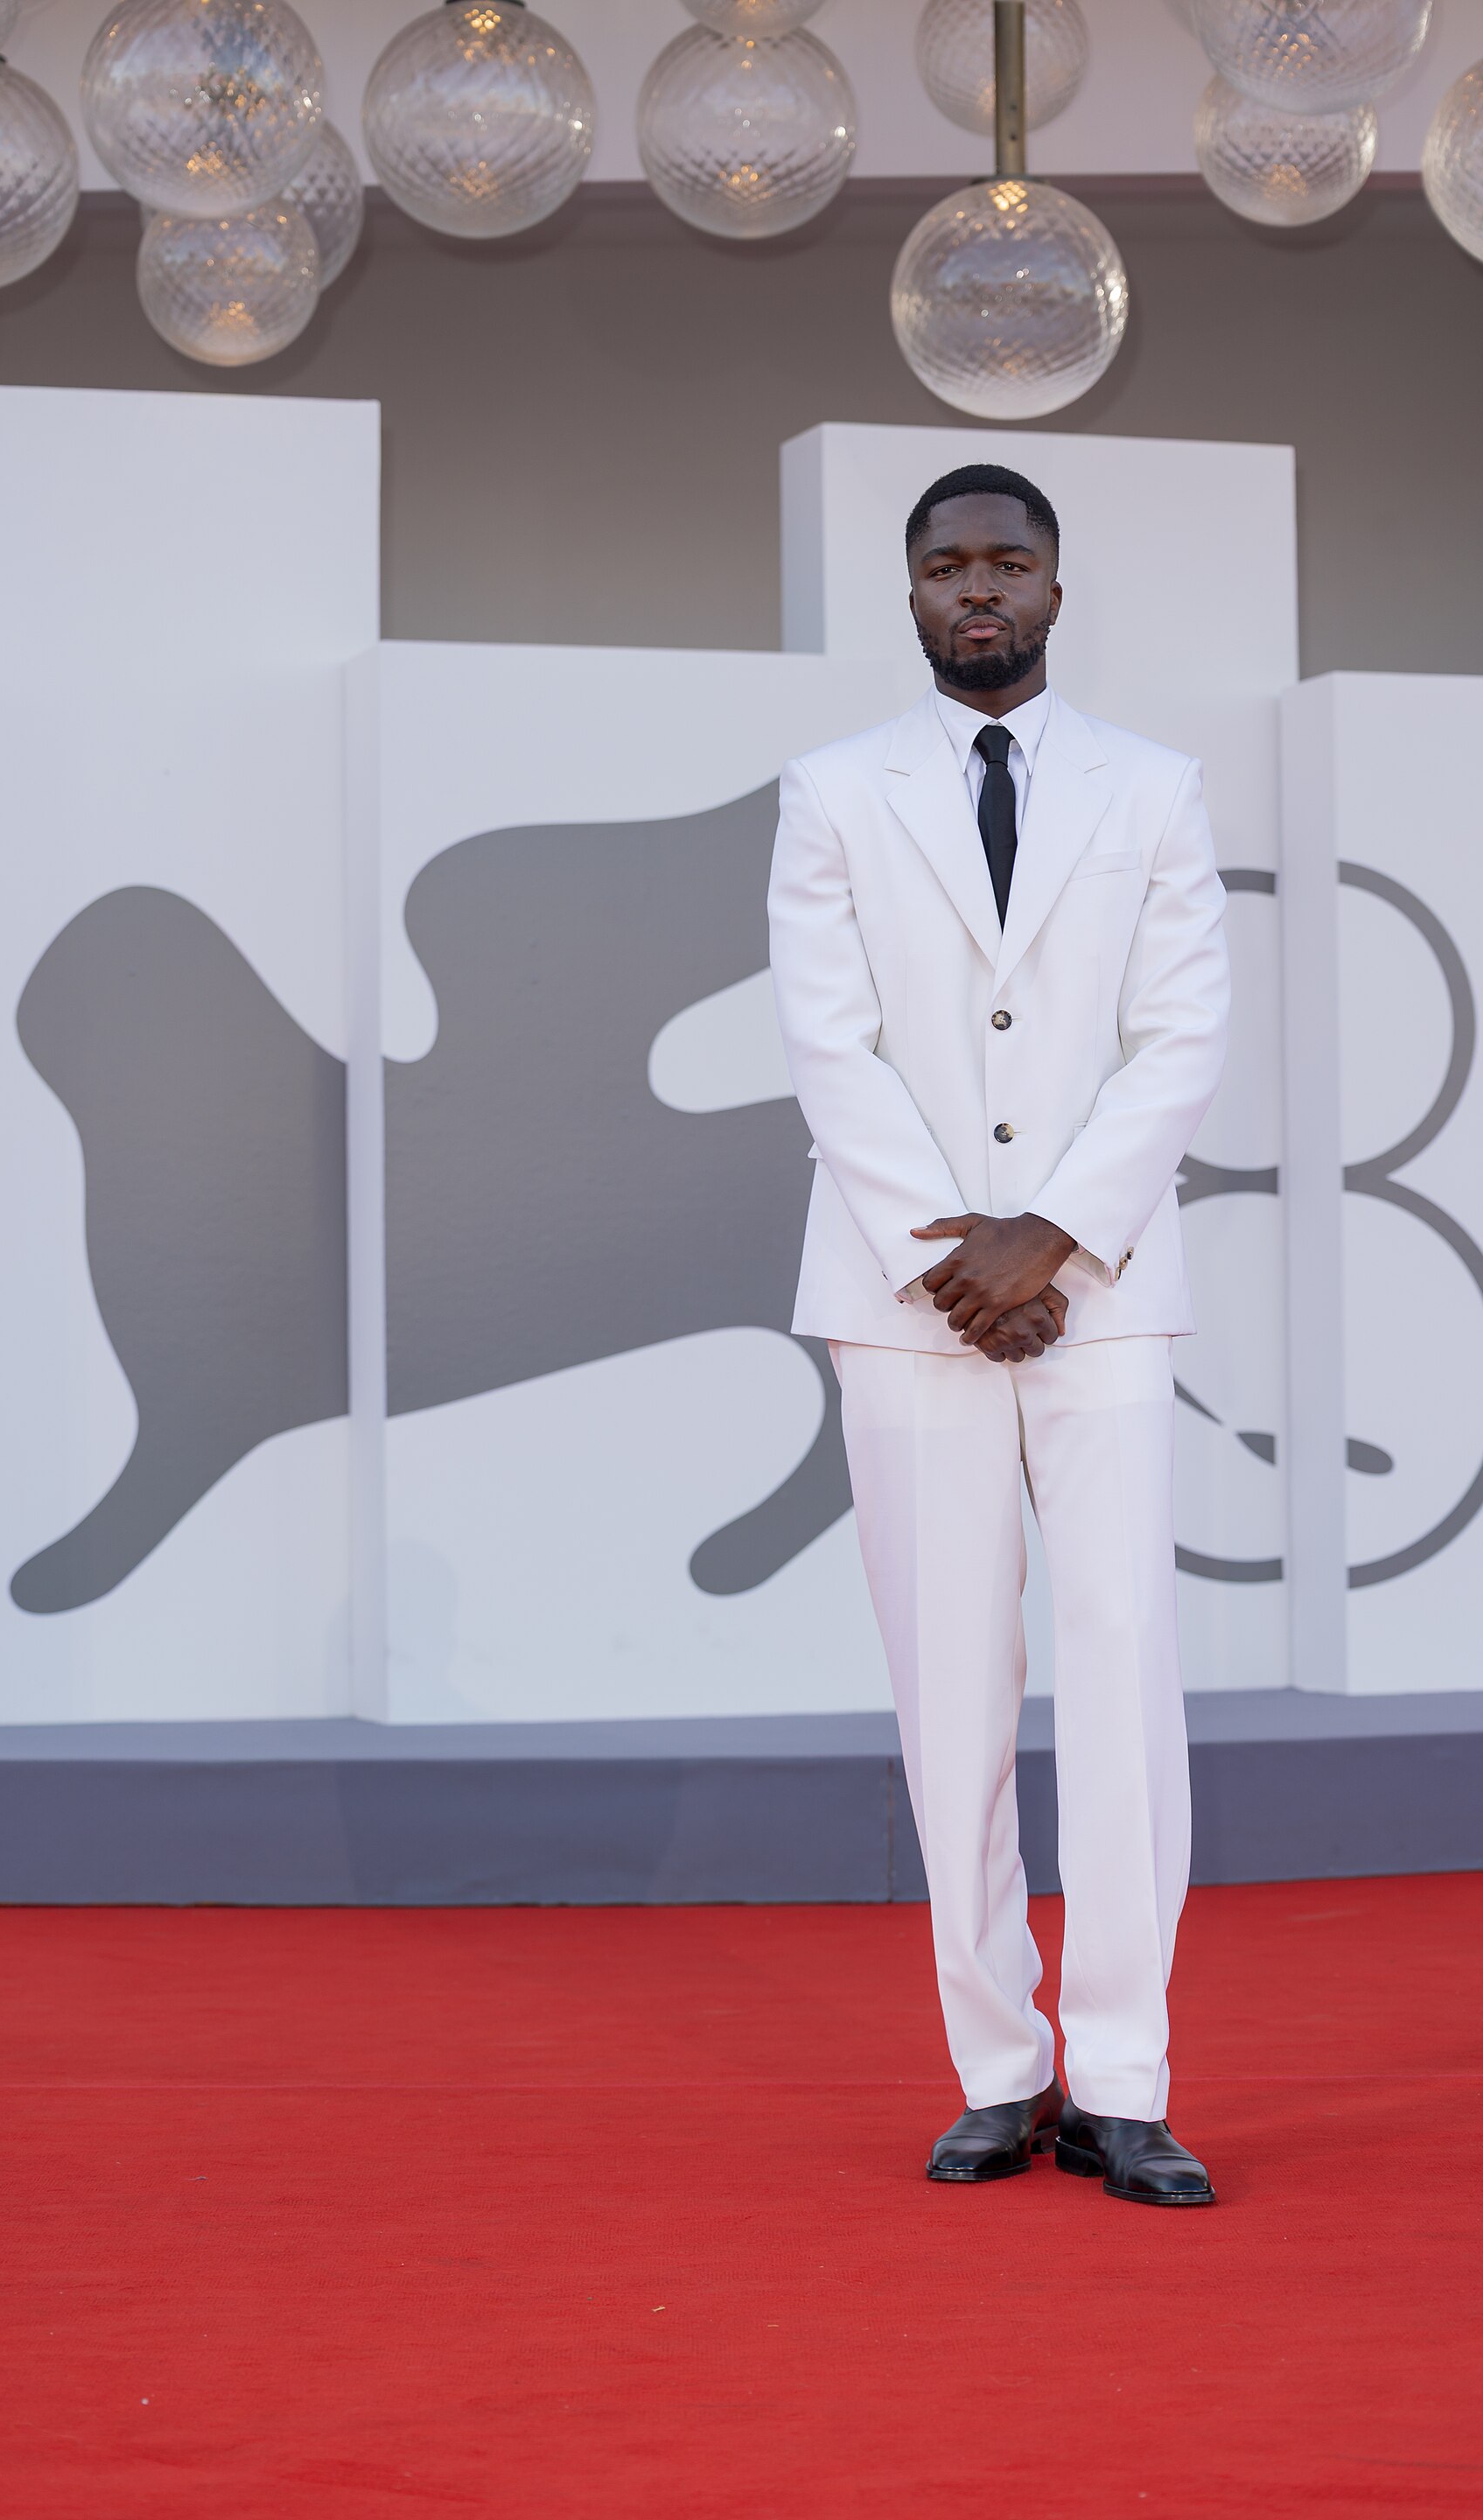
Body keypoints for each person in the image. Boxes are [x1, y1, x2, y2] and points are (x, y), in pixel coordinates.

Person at [768, 464, 1229, 2208]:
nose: (980, 588)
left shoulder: (1154, 788)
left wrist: (1060, 1236)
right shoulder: (832, 793)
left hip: (1102, 1291)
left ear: (1055, 585)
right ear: (910, 594)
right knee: (949, 1691)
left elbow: (1177, 1036)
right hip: (907, 1309)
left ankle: (1122, 2079)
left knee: (1122, 1679)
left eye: (1008, 562)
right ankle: (995, 2066)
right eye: (949, 565)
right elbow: (833, 1045)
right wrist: (953, 1253)